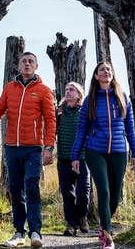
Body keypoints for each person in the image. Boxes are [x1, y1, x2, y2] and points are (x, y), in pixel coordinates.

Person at [0, 52, 55, 248]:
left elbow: (51, 120)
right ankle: (19, 232)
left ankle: (35, 232)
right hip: (12, 147)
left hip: (34, 148)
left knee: (31, 186)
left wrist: (49, 147)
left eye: (31, 61)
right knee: (15, 189)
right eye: (24, 61)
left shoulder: (44, 90)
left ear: (36, 66)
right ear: (18, 66)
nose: (27, 64)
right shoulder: (9, 88)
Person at [70, 62, 135, 249]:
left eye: (109, 69)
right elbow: (82, 130)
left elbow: (130, 129)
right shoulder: (90, 99)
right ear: (96, 76)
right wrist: (75, 155)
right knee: (104, 190)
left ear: (112, 74)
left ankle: (103, 224)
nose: (106, 71)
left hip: (119, 151)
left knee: (115, 196)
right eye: (102, 70)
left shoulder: (122, 97)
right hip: (95, 151)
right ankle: (108, 238)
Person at [55, 82, 91, 236]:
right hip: (64, 157)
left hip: (83, 157)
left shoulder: (85, 111)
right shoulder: (59, 112)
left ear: (79, 94)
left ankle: (82, 216)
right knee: (67, 192)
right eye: (67, 90)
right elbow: (51, 130)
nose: (68, 92)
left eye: (72, 90)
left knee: (83, 190)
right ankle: (71, 224)